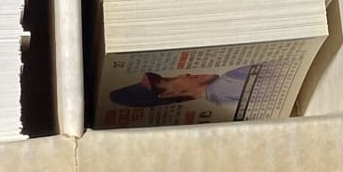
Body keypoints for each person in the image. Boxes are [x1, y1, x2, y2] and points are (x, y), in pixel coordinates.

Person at [107, 66, 250, 110]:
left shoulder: (219, 102)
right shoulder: (226, 83)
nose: (184, 74)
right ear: (169, 94)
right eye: (168, 80)